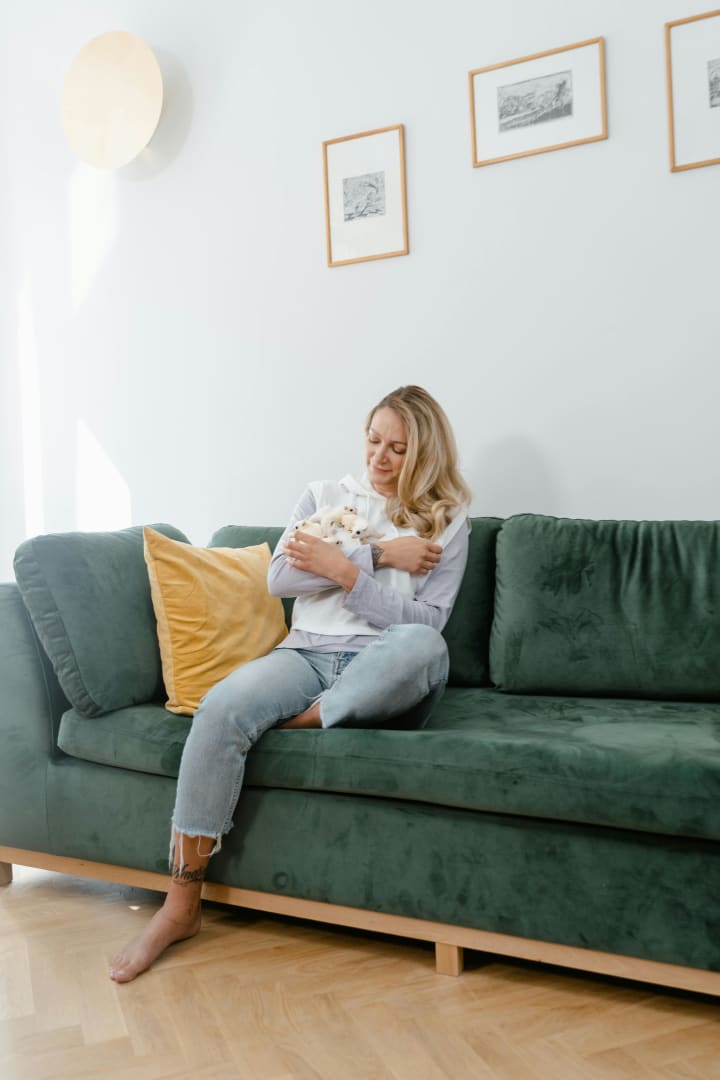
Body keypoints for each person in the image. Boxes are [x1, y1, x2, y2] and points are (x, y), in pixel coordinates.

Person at [109, 385, 471, 982]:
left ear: (426, 454)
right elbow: (280, 578)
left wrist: (342, 574)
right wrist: (373, 558)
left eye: (398, 449)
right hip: (304, 654)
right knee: (221, 709)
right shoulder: (325, 496)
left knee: (425, 645)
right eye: (373, 440)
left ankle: (309, 718)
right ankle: (180, 906)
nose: (379, 458)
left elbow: (428, 623)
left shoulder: (448, 522)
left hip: (382, 667)